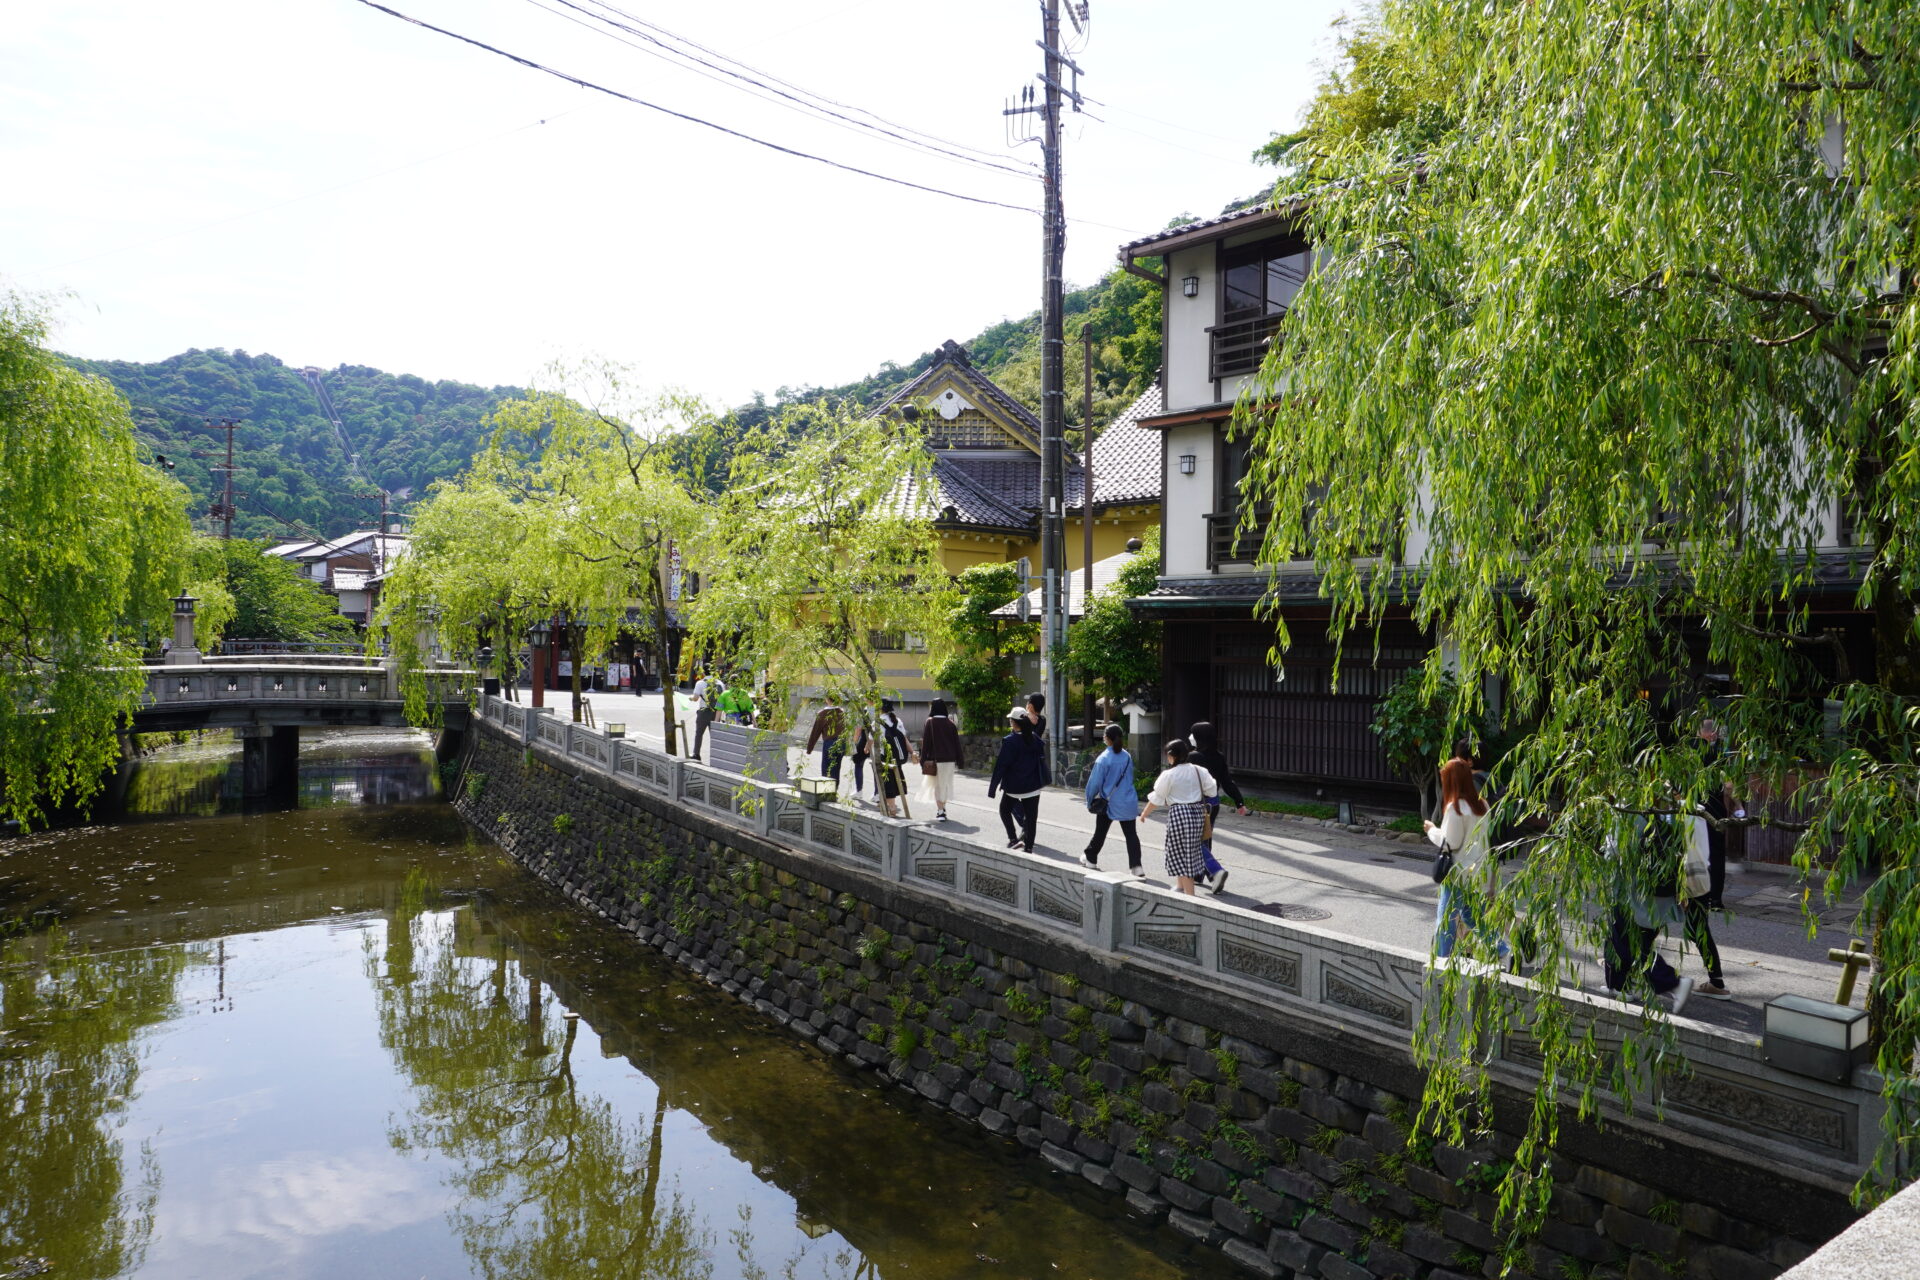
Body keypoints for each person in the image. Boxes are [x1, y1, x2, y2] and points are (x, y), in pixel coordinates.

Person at [1423, 757, 1511, 965]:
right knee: (1471, 916)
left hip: (1458, 873)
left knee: (1446, 920)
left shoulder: (1455, 808)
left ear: (1450, 781)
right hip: (1478, 870)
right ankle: (1502, 950)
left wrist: (1431, 830)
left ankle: (1441, 963)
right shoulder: (1482, 804)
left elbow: (1451, 842)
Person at [1140, 739, 1217, 894]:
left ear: (1171, 756)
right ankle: (1180, 886)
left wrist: (1144, 813)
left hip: (1179, 814)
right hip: (1197, 813)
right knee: (1190, 850)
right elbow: (1211, 790)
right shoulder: (1199, 770)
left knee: (1179, 852)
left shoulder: (1169, 774)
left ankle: (1189, 895)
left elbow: (1157, 797)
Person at [1187, 722, 1250, 896]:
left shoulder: (1193, 757)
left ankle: (1214, 872)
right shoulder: (1219, 756)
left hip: (1197, 803)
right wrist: (1239, 802)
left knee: (1193, 840)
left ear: (1199, 737)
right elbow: (1227, 781)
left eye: (1193, 734)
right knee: (1205, 836)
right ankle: (1198, 874)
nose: (1190, 737)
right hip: (1213, 803)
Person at [1082, 724, 1143, 876]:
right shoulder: (1127, 756)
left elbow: (1094, 784)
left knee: (1100, 832)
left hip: (1108, 802)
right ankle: (1137, 867)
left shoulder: (1103, 759)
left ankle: (1091, 858)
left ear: (1107, 738)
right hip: (1128, 800)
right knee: (1131, 834)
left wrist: (1089, 800)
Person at [987, 707, 1050, 851]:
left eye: (1011, 720)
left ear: (1014, 723)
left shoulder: (1010, 741)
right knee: (1031, 818)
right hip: (1034, 786)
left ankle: (1013, 839)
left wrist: (992, 789)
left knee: (1004, 810)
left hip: (1014, 787)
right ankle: (1028, 849)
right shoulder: (1035, 739)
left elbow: (1001, 766)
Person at [917, 699, 965, 821]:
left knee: (937, 786)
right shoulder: (951, 724)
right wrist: (960, 761)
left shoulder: (930, 722)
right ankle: (943, 808)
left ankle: (940, 811)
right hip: (949, 760)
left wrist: (922, 760)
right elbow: (957, 744)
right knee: (945, 785)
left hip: (936, 759)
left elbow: (926, 743)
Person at [876, 699, 916, 818]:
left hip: (885, 757)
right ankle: (890, 806)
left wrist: (866, 748)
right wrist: (912, 752)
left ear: (880, 708)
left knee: (888, 783)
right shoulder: (897, 720)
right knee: (896, 780)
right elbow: (904, 738)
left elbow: (871, 740)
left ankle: (892, 808)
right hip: (897, 757)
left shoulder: (877, 722)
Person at [805, 698, 846, 786]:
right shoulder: (842, 712)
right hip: (841, 743)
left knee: (826, 768)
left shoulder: (823, 714)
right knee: (836, 768)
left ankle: (827, 789)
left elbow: (815, 733)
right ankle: (835, 788)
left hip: (829, 743)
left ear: (827, 699)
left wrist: (809, 748)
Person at [690, 668, 715, 761]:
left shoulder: (700, 683)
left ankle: (696, 754)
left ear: (703, 672)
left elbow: (695, 698)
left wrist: (690, 698)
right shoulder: (719, 683)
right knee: (715, 735)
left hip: (704, 711)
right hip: (716, 712)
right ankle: (716, 756)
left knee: (699, 733)